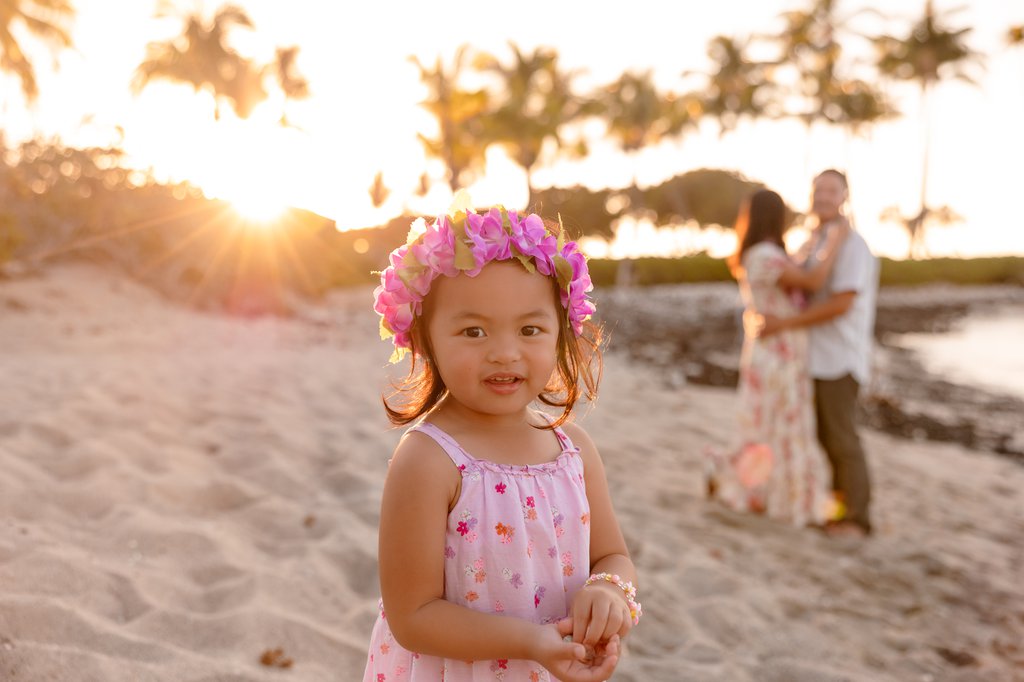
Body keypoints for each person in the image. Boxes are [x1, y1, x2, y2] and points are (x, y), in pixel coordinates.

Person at [364, 203, 640, 681]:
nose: (505, 352)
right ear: (426, 338)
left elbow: (612, 556)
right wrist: (532, 643)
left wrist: (610, 591)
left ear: (560, 334)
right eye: (473, 330)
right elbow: (412, 616)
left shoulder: (573, 450)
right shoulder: (429, 459)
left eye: (530, 329)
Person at [705, 188, 848, 527]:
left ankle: (757, 489)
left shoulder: (759, 253)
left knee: (768, 423)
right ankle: (751, 488)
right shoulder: (764, 254)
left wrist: (815, 240)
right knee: (776, 424)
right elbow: (812, 281)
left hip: (773, 351)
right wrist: (836, 242)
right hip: (777, 353)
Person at [756, 170, 879, 538]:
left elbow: (842, 303)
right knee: (825, 439)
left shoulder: (852, 245)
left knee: (842, 439)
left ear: (844, 197)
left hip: (839, 357)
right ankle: (837, 511)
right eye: (818, 190)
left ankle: (857, 519)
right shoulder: (813, 241)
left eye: (831, 191)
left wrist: (785, 325)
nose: (823, 197)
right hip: (813, 357)